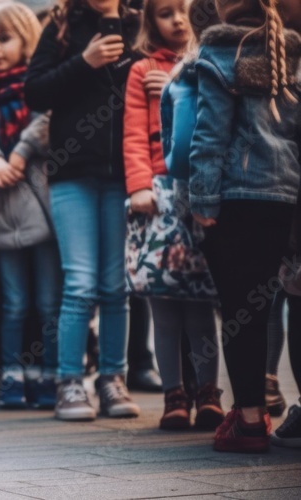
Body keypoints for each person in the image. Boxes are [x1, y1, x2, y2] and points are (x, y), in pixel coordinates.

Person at [189, 0, 301, 453]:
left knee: (242, 313)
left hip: (236, 199)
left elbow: (209, 135)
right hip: (287, 200)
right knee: (287, 302)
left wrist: (201, 200)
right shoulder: (294, 53)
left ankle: (250, 421)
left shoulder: (217, 54)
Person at [25, 0, 142, 421]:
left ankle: (113, 378)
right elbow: (34, 91)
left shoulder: (138, 22)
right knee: (79, 283)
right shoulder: (61, 25)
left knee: (115, 285)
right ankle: (69, 381)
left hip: (123, 174)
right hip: (72, 172)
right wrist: (84, 61)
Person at [124, 0, 225, 431]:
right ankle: (173, 397)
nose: (178, 19)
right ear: (151, 21)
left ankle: (208, 394)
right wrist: (139, 186)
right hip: (158, 198)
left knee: (201, 305)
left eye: (185, 10)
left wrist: (170, 84)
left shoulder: (210, 63)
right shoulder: (139, 70)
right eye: (166, 12)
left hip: (197, 193)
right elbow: (132, 134)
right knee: (162, 304)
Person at [0, 2, 61, 410]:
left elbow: (46, 120)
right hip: (4, 206)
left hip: (41, 202)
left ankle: (49, 374)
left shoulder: (39, 83)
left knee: (47, 301)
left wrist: (20, 153)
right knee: (13, 302)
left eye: (3, 39)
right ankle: (11, 374)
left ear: (27, 40)